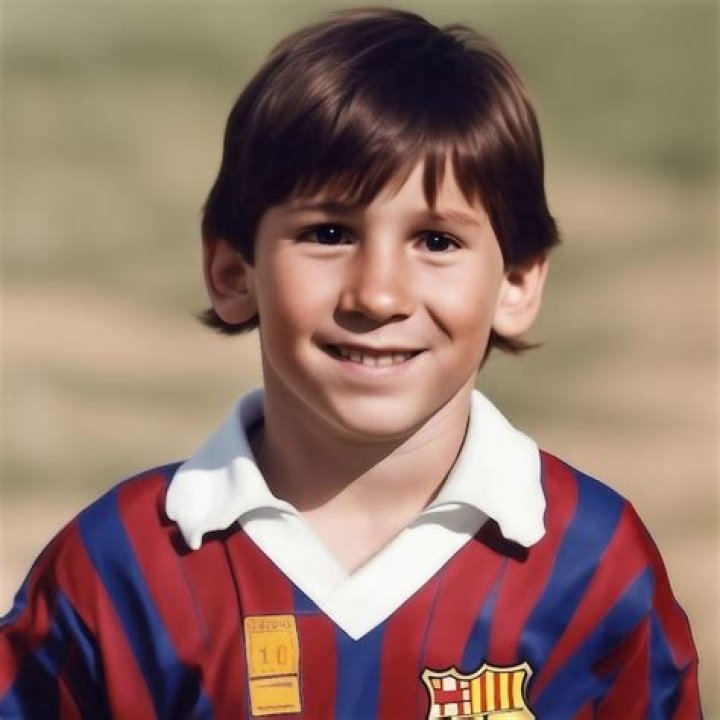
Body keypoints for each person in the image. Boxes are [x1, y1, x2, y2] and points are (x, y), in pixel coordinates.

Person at [0, 8, 701, 719]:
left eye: (435, 241)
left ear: (516, 284)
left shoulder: (592, 568)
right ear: (233, 272)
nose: (378, 294)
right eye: (329, 233)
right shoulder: (123, 569)